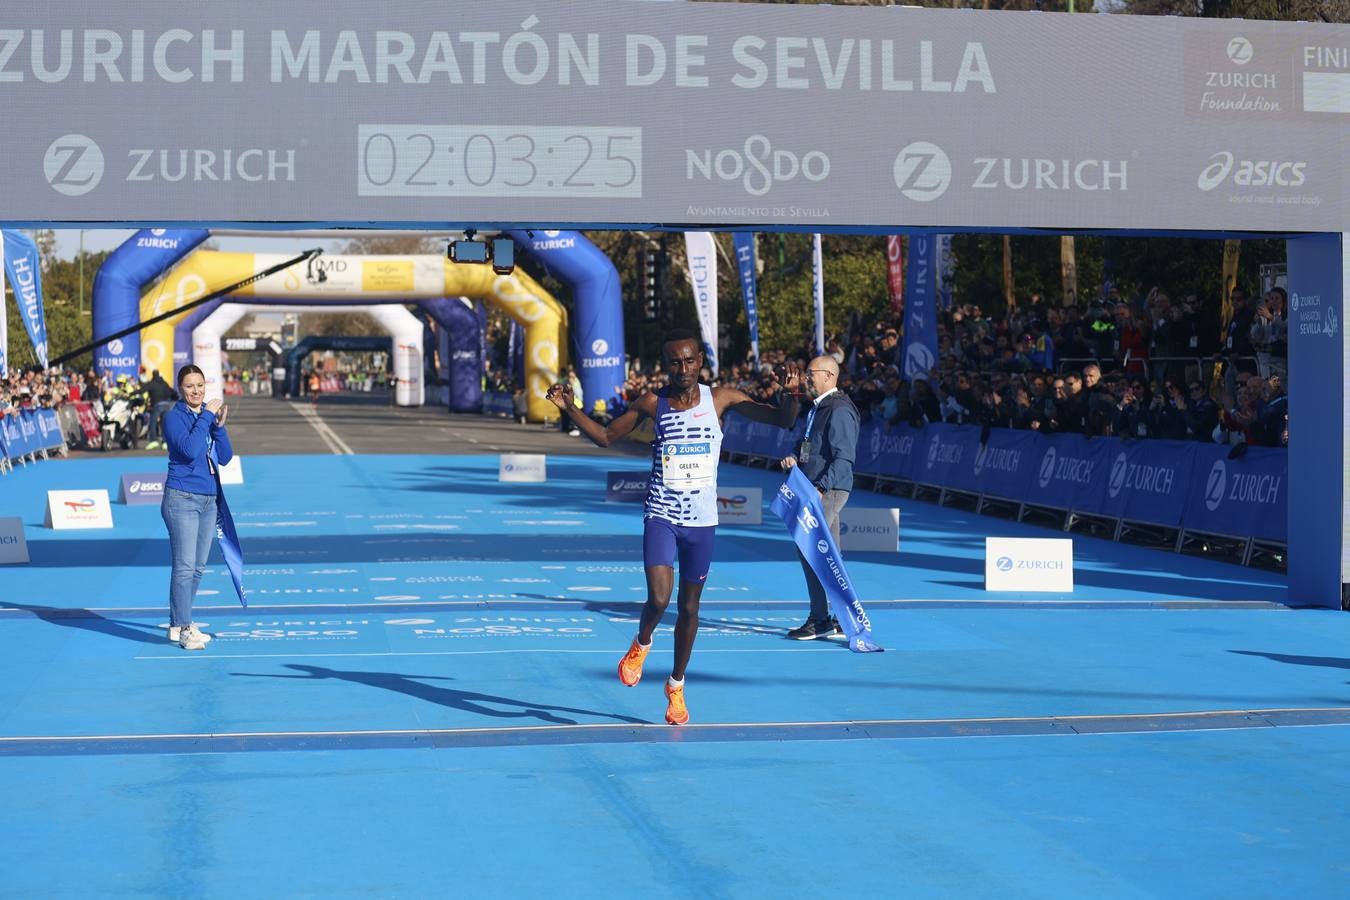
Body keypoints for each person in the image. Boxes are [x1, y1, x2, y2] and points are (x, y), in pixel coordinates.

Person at [546, 330, 800, 725]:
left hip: (701, 520)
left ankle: (676, 686)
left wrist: (791, 393)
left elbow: (781, 420)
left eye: (690, 361)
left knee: (690, 607)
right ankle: (641, 642)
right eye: (675, 363)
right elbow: (604, 436)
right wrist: (569, 407)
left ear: (701, 361)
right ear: (666, 366)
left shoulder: (721, 399)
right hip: (662, 513)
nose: (683, 369)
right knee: (660, 600)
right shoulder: (652, 402)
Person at [780, 356, 861, 640]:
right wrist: (794, 457)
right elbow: (809, 445)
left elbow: (844, 458)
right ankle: (841, 618)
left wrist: (821, 488)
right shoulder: (819, 408)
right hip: (814, 485)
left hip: (827, 489)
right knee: (830, 556)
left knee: (809, 550)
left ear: (828, 375)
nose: (805, 378)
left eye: (810, 373)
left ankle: (820, 619)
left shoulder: (838, 410)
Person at [161, 365, 233, 651]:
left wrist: (219, 426)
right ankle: (185, 626)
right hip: (182, 498)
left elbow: (225, 457)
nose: (196, 391)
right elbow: (190, 450)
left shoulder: (206, 416)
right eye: (190, 386)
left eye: (200, 385)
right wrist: (206, 417)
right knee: (184, 565)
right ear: (181, 389)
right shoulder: (173, 417)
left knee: (198, 567)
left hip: (208, 498)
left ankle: (179, 622)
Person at [143, 369, 176, 450]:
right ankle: (165, 442)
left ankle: (154, 440)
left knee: (153, 422)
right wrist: (175, 398)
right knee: (164, 424)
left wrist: (131, 394)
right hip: (166, 405)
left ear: (153, 375)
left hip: (157, 405)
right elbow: (172, 392)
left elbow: (142, 390)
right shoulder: (164, 384)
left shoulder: (152, 383)